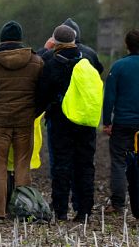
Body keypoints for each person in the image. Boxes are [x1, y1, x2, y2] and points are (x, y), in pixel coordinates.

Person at [0, 20, 43, 220]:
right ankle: (23, 210)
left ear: (1, 39)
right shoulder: (36, 62)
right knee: (22, 166)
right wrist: (34, 112)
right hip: (25, 122)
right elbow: (42, 91)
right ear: (20, 39)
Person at [38, 24, 98, 221]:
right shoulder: (87, 59)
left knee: (61, 165)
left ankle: (61, 210)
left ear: (55, 42)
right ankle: (84, 210)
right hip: (85, 121)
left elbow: (42, 93)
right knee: (85, 165)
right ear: (74, 40)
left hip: (60, 121)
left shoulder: (51, 61)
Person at [104, 29, 139, 216]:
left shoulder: (118, 67)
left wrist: (106, 122)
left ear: (127, 45)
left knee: (119, 162)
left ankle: (118, 203)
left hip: (123, 124)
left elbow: (109, 97)